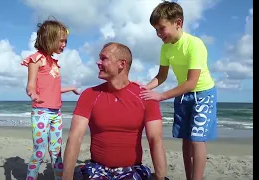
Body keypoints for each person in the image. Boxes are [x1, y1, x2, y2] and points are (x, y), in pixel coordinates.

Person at [62, 42, 168, 180]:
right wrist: (66, 177)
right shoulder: (89, 95)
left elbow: (155, 140)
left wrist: (161, 178)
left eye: (104, 58)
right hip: (97, 169)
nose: (98, 62)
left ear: (121, 64)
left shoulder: (145, 97)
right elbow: (75, 137)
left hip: (132, 169)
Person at [139, 1, 217, 180]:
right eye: (155, 30)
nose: (158, 34)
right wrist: (146, 87)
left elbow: (191, 83)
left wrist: (160, 96)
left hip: (203, 93)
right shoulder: (165, 47)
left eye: (161, 28)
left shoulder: (194, 45)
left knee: (196, 139)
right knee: (186, 139)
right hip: (184, 96)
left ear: (178, 23)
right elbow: (161, 75)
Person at [21, 19, 79, 180]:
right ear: (49, 38)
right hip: (41, 112)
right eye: (61, 40)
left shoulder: (53, 62)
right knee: (39, 151)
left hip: (56, 113)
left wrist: (71, 88)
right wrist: (33, 94)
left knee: (56, 152)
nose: (64, 44)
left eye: (65, 41)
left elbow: (53, 89)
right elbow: (30, 85)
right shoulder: (36, 59)